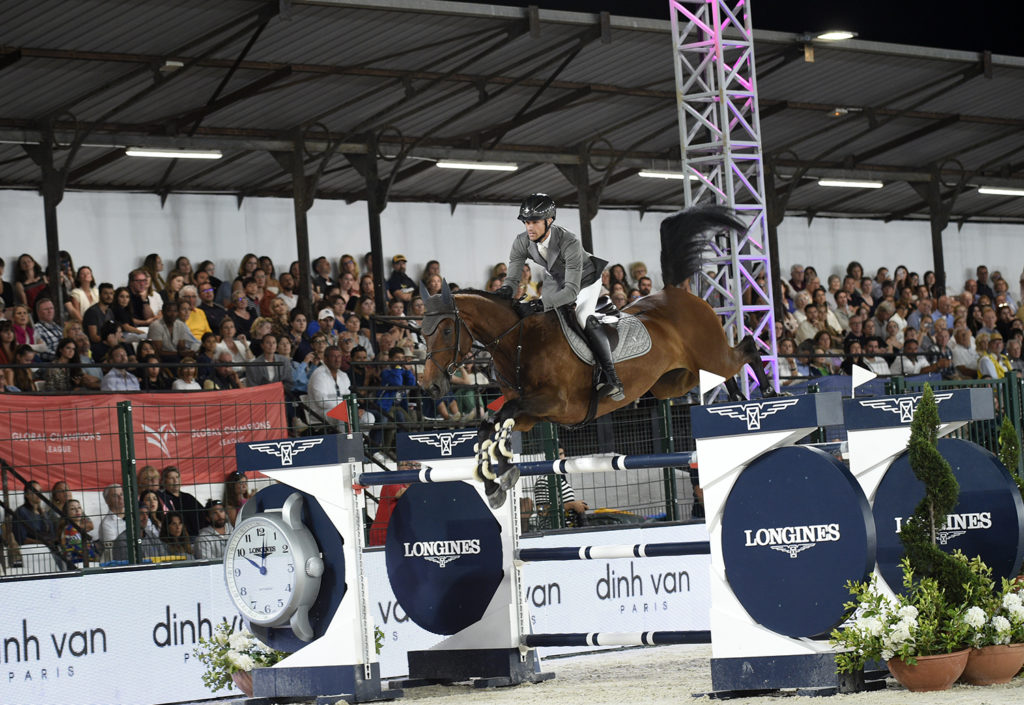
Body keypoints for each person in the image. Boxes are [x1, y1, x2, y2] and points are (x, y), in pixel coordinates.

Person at [497, 193, 622, 400]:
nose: (529, 227)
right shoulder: (521, 242)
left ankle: (611, 378)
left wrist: (540, 304)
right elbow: (512, 278)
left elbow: (571, 292)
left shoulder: (568, 241)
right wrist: (505, 291)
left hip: (586, 280)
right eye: (526, 222)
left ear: (549, 221)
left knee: (583, 318)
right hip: (556, 278)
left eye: (535, 222)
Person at [308, 344, 376, 430]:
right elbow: (322, 402)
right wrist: (348, 408)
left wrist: (355, 408)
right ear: (325, 359)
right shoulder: (318, 375)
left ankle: (361, 442)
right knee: (345, 416)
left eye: (339, 356)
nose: (337, 360)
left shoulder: (343, 375)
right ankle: (344, 443)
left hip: (343, 410)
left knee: (369, 417)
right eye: (333, 357)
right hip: (321, 413)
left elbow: (348, 397)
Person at [158, 466, 204, 537]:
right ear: (164, 481)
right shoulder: (163, 499)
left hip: (199, 536)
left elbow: (203, 513)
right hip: (179, 539)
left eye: (177, 477)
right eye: (171, 478)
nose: (175, 480)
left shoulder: (188, 497)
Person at [57, 499, 100, 567]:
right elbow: (81, 550)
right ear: (66, 513)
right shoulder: (70, 529)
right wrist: (97, 557)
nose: (77, 510)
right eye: (72, 509)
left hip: (85, 563)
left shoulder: (77, 529)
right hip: (78, 565)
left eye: (79, 507)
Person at [12, 480, 57, 546]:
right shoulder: (21, 512)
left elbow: (52, 534)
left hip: (49, 547)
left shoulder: (44, 513)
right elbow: (21, 538)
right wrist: (42, 543)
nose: (39, 493)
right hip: (32, 549)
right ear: (27, 495)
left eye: (40, 491)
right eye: (35, 491)